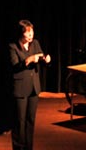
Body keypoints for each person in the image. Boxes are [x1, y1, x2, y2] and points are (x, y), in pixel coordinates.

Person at [8, 19, 51, 150]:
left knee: (30, 120)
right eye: (27, 32)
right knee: (19, 121)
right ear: (21, 33)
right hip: (20, 88)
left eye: (31, 31)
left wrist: (46, 60)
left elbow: (41, 59)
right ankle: (18, 147)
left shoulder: (35, 43)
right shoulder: (13, 47)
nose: (31, 34)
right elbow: (14, 66)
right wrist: (28, 60)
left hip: (33, 87)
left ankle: (28, 147)